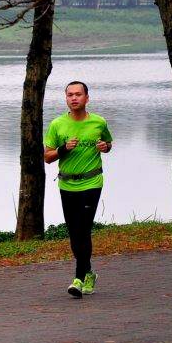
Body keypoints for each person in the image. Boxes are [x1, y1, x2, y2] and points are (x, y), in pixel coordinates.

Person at [44, 80, 113, 298]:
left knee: (83, 229)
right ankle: (89, 273)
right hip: (67, 184)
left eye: (78, 94)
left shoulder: (98, 122)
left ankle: (78, 279)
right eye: (70, 95)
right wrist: (63, 149)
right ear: (66, 98)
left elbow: (108, 143)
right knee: (75, 234)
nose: (74, 98)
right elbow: (47, 157)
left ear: (86, 98)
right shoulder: (57, 125)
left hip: (92, 182)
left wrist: (105, 147)